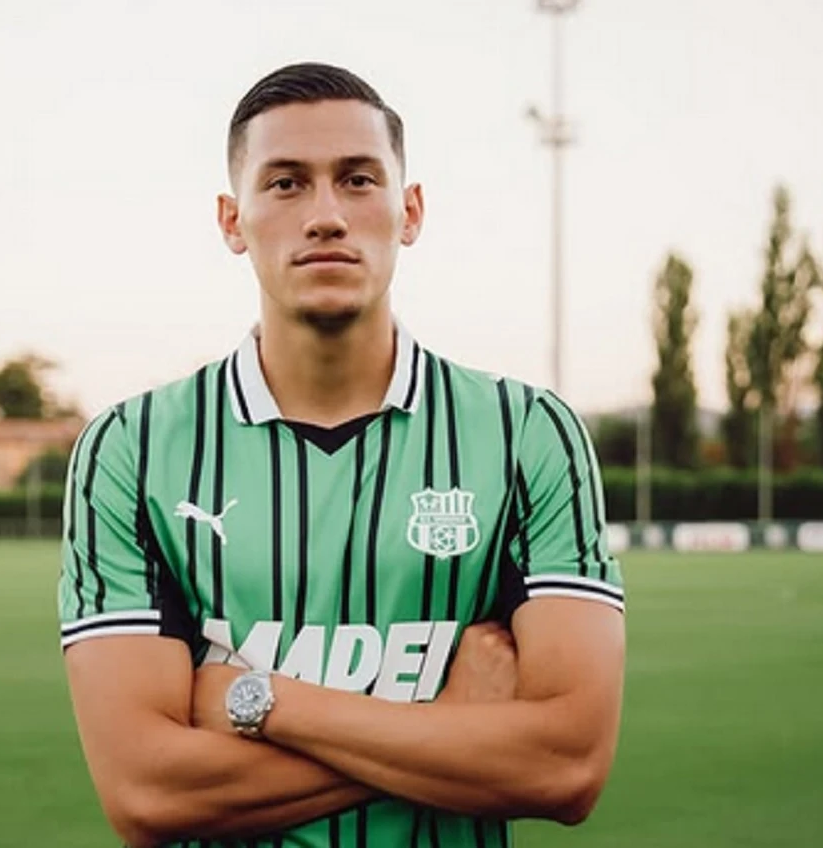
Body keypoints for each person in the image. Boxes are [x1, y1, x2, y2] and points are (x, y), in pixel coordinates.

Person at [58, 62, 626, 848]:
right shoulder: (132, 448)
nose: (325, 216)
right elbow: (147, 792)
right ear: (232, 220)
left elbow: (565, 766)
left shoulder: (528, 434)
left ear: (409, 211)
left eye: (358, 180)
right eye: (286, 184)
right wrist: (447, 723)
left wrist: (259, 701)